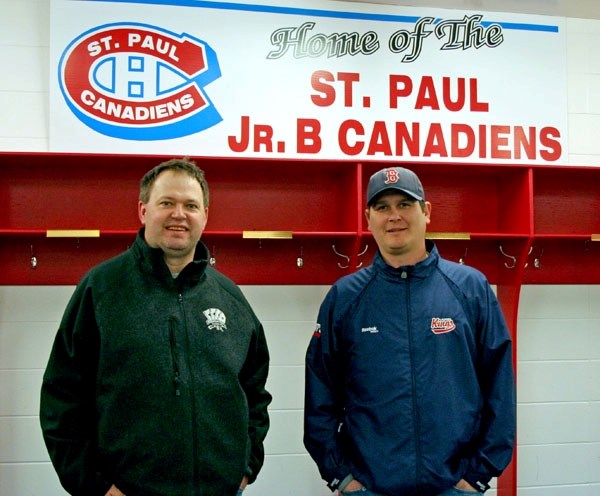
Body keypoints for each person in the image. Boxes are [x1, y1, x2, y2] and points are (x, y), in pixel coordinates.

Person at [40, 158, 271, 496]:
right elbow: (61, 399)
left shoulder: (229, 298)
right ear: (143, 210)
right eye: (167, 203)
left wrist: (246, 466)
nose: (179, 214)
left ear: (205, 215)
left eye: (191, 205)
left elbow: (254, 392)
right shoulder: (101, 290)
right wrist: (96, 486)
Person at [304, 166, 516, 496]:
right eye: (382, 207)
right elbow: (320, 395)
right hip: (369, 487)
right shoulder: (345, 297)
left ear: (426, 212)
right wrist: (341, 476)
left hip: (455, 487)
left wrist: (479, 473)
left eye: (405, 204)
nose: (394, 216)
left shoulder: (471, 289)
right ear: (368, 217)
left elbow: (499, 387)